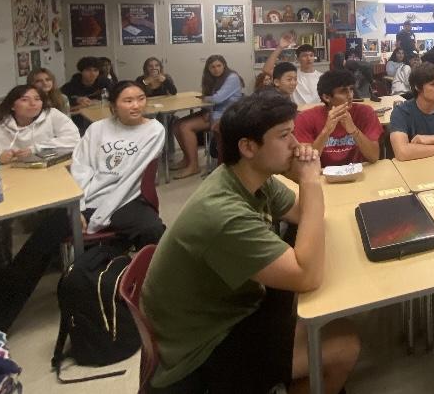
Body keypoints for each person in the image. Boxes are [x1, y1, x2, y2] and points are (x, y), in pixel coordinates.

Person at [141, 93, 359, 394]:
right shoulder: (221, 213)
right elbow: (306, 276)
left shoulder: (249, 176)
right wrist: (310, 179)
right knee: (342, 343)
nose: (296, 144)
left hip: (231, 305)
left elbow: (301, 213)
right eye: (284, 136)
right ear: (248, 147)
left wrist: (304, 184)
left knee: (320, 296)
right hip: (205, 345)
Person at [0, 80, 165, 331]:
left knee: (153, 230)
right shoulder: (97, 130)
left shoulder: (153, 130)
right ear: (114, 106)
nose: (136, 105)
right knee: (43, 238)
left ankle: (160, 294)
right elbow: (81, 168)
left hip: (127, 198)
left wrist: (99, 216)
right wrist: (79, 206)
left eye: (140, 99)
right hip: (88, 196)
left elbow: (130, 178)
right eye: (128, 100)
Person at [0, 84, 80, 276]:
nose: (33, 104)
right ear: (12, 105)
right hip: (8, 181)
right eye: (25, 99)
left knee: (54, 213)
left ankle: (52, 259)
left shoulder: (52, 116)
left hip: (46, 179)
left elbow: (74, 140)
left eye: (37, 99)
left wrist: (36, 148)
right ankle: (2, 270)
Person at [171, 55, 243, 179]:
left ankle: (193, 166)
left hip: (226, 114)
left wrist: (205, 99)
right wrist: (206, 108)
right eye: (212, 67)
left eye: (219, 65)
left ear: (224, 65)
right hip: (213, 111)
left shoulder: (232, 77)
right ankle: (187, 159)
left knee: (184, 126)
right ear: (208, 69)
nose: (216, 69)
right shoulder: (213, 79)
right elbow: (212, 99)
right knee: (177, 124)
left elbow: (217, 98)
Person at [294, 70, 382, 167]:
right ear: (327, 97)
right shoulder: (305, 118)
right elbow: (307, 162)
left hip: (359, 174)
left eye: (351, 89)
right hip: (322, 176)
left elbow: (374, 156)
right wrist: (326, 131)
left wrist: (354, 131)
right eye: (343, 91)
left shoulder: (365, 112)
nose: (350, 96)